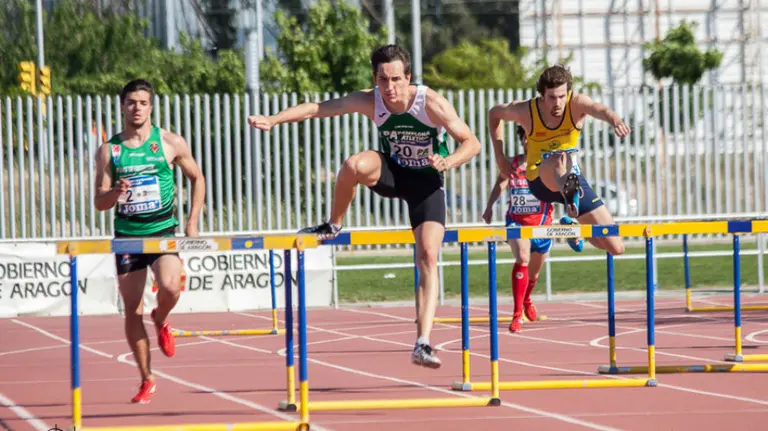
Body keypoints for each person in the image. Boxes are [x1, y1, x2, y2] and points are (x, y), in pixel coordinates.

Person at [248, 44, 481, 369]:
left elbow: (472, 143)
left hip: (428, 180)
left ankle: (422, 342)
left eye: (396, 79)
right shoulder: (369, 100)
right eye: (383, 80)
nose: (390, 88)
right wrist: (274, 120)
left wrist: (449, 160)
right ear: (375, 79)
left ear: (408, 77)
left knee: (427, 254)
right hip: (392, 171)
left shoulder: (429, 102)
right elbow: (317, 108)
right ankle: (333, 224)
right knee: (354, 164)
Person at [93, 79, 206, 404]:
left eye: (143, 102)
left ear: (151, 106)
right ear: (122, 106)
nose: (137, 108)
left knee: (170, 287)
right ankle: (146, 378)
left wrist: (192, 221)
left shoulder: (169, 142)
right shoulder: (110, 150)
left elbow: (197, 177)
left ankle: (162, 318)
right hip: (128, 237)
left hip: (162, 232)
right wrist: (115, 192)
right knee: (131, 309)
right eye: (131, 102)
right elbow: (99, 202)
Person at [488, 64, 628, 256]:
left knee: (616, 247)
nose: (557, 103)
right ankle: (569, 193)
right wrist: (500, 158)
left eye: (562, 96)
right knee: (557, 158)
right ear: (542, 95)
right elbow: (494, 114)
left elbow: (600, 109)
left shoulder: (577, 104)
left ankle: (574, 230)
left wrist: (615, 121)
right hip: (540, 179)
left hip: (573, 178)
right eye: (552, 98)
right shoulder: (526, 110)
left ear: (568, 93)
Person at [482, 125, 562, 333]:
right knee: (522, 258)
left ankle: (526, 298)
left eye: (532, 137)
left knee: (533, 275)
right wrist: (490, 206)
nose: (528, 141)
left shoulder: (548, 164)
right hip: (517, 223)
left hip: (542, 226)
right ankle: (517, 315)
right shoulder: (512, 164)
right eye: (525, 138)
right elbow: (500, 183)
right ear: (522, 140)